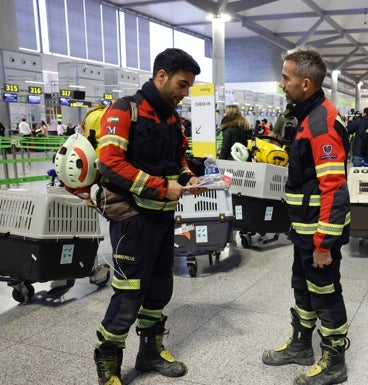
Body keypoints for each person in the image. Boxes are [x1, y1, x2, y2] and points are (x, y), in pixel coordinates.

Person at [93, 48, 202, 385]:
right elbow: (110, 163)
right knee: (129, 292)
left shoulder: (173, 119)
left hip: (162, 217)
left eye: (188, 88)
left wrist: (188, 177)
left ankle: (150, 352)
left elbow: (177, 160)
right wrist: (160, 187)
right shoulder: (124, 110)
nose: (184, 93)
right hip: (130, 217)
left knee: (159, 288)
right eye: (182, 85)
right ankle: (108, 361)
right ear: (161, 76)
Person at [262, 46, 351, 385]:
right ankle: (301, 346)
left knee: (325, 292)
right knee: (302, 287)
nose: (281, 83)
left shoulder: (322, 123)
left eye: (286, 77)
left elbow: (334, 188)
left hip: (318, 234)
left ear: (306, 83)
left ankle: (334, 362)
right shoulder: (305, 116)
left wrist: (324, 243)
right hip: (304, 229)